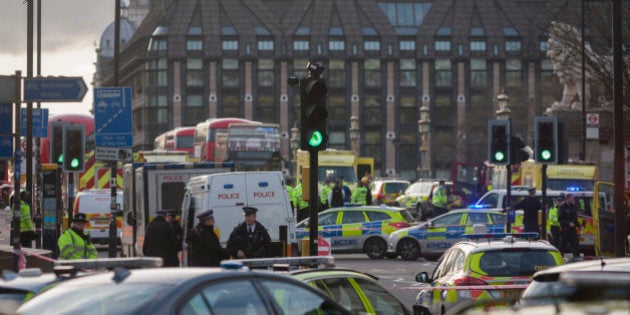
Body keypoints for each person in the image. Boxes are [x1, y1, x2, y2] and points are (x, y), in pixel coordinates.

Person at [559, 193, 580, 258]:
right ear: (568, 198)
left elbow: (575, 218)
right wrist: (568, 223)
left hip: (572, 230)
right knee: (562, 245)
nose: (573, 199)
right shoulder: (562, 207)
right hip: (565, 230)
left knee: (575, 245)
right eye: (572, 198)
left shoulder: (573, 207)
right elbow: (560, 219)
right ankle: (560, 258)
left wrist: (579, 225)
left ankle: (576, 258)